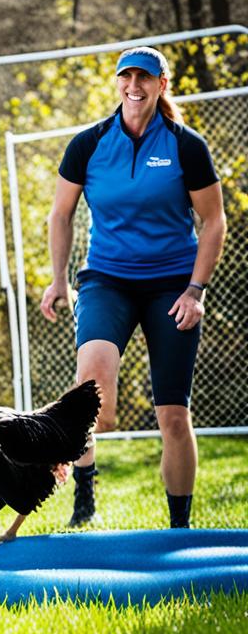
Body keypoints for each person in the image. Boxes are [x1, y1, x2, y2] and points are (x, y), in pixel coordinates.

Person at [40, 46, 225, 530]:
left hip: (172, 288)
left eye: (145, 78)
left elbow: (213, 221)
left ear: (162, 84)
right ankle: (84, 502)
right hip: (107, 282)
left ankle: (179, 527)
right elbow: (60, 214)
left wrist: (196, 290)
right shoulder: (90, 143)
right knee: (93, 403)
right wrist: (59, 279)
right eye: (127, 77)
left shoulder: (186, 145)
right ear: (118, 83)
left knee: (173, 416)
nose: (134, 86)